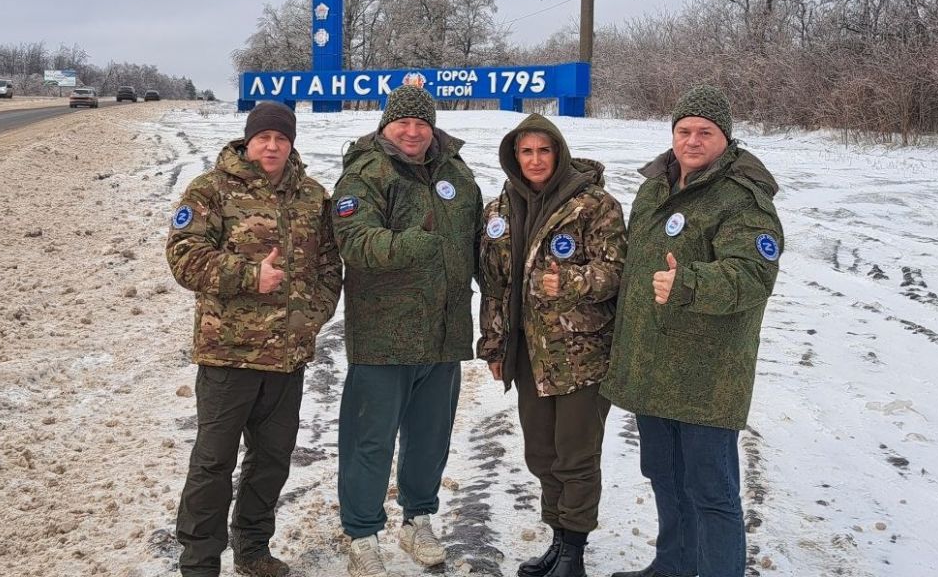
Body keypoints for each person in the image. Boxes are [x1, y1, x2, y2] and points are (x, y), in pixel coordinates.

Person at [600, 86, 784, 577]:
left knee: (712, 492)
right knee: (664, 476)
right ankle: (673, 566)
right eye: (684, 130)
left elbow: (753, 276)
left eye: (705, 132)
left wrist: (690, 283)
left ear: (725, 138)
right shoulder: (654, 188)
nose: (693, 140)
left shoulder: (743, 199)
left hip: (706, 374)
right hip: (652, 365)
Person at [165, 102, 343, 577]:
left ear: (291, 143)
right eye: (263, 137)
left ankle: (253, 548)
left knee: (271, 460)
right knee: (213, 463)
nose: (271, 146)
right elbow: (184, 257)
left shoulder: (311, 195)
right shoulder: (210, 190)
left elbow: (329, 265)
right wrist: (249, 276)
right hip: (228, 355)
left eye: (281, 139)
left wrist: (313, 316)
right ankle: (200, 561)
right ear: (248, 141)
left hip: (287, 358)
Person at [330, 85, 483, 577]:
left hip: (443, 332)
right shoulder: (365, 175)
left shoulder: (457, 173)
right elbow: (356, 243)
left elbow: (480, 241)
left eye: (422, 123)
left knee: (429, 437)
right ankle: (361, 532)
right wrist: (420, 244)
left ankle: (418, 519)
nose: (413, 132)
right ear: (386, 125)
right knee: (369, 440)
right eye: (403, 123)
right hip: (384, 335)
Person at [478, 114, 626, 577]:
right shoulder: (499, 210)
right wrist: (495, 344)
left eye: (544, 151)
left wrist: (572, 281)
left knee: (575, 455)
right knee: (541, 453)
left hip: (580, 353)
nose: (536, 160)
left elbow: (617, 273)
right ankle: (558, 541)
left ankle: (574, 554)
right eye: (527, 151)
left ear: (558, 153)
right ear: (514, 157)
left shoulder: (596, 205)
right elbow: (493, 285)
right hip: (527, 354)